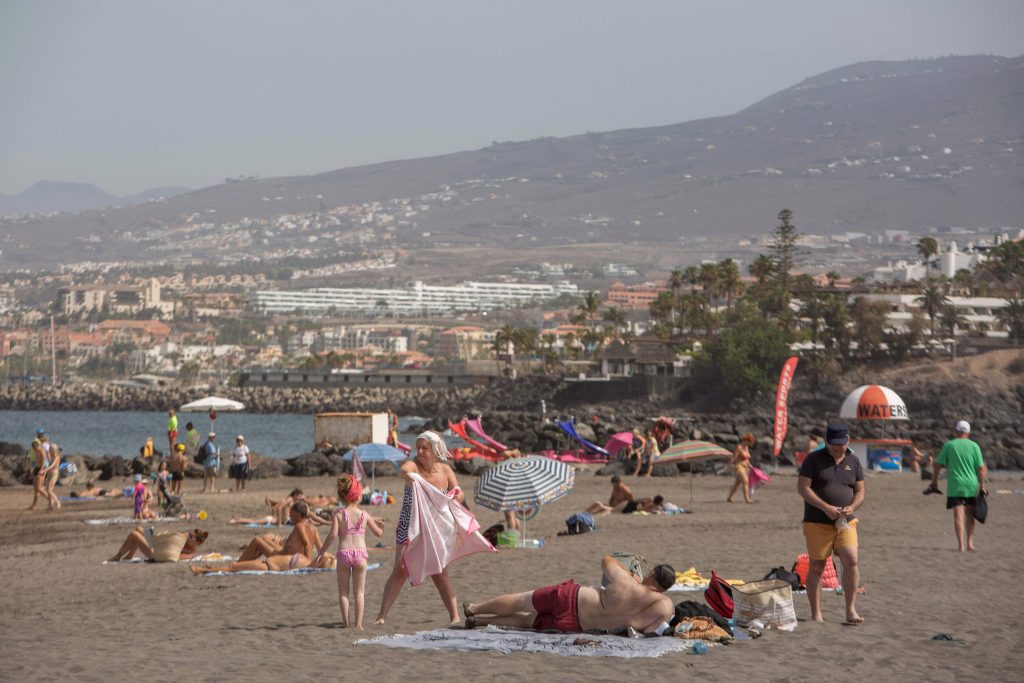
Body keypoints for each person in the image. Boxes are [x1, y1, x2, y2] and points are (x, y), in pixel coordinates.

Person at [374, 431, 466, 626]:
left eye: (425, 448)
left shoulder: (445, 471)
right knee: (399, 569)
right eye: (419, 447)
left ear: (435, 450)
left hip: (438, 527)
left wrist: (458, 496)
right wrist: (411, 476)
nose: (421, 451)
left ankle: (455, 616)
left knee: (440, 573)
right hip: (410, 525)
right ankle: (381, 616)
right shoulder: (413, 466)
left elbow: (459, 492)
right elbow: (402, 470)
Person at [464, 555, 676, 634]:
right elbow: (650, 631)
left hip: (571, 598)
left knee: (523, 601)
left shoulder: (629, 582)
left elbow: (606, 561)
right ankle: (479, 621)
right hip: (577, 626)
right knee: (528, 621)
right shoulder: (665, 607)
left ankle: (475, 608)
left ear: (652, 573)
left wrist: (629, 573)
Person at [797, 421, 865, 624]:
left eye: (841, 443)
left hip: (846, 521)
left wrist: (852, 507)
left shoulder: (853, 461)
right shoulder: (813, 459)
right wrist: (825, 507)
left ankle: (850, 610)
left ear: (848, 441)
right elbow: (803, 488)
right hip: (817, 522)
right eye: (833, 443)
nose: (837, 447)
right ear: (826, 441)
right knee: (817, 566)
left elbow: (860, 491)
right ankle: (816, 613)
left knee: (851, 559)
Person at [318, 475, 385, 629]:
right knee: (359, 592)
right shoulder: (364, 514)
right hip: (361, 555)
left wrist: (322, 551)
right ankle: (359, 625)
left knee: (343, 593)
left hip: (344, 554)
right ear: (358, 495)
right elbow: (379, 534)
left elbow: (333, 534)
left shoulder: (339, 514)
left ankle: (346, 623)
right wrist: (381, 526)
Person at [190, 501, 327, 574]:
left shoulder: (299, 526)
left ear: (298, 515)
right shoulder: (313, 528)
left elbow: (307, 545)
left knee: (257, 541)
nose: (290, 517)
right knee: (262, 540)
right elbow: (321, 548)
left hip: (285, 557)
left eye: (291, 514)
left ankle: (239, 564)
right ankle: (237, 565)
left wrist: (308, 564)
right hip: (287, 555)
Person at [930, 420, 986, 552]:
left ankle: (961, 545)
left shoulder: (949, 445)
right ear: (968, 432)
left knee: (958, 515)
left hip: (955, 485)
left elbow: (937, 465)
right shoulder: (974, 446)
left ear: (956, 431)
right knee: (970, 514)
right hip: (971, 485)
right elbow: (981, 469)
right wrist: (982, 486)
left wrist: (934, 481)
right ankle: (970, 543)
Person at [108, 527, 209, 562]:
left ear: (197, 542)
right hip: (157, 545)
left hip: (155, 554)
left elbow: (175, 557)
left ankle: (118, 556)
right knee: (138, 528)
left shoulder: (191, 551)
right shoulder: (183, 538)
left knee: (134, 534)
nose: (188, 536)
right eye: (189, 534)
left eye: (191, 537)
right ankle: (130, 555)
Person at [727, 433, 755, 503]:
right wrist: (730, 464)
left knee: (737, 484)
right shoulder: (739, 447)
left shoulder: (746, 447)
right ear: (746, 440)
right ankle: (747, 499)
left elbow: (747, 458)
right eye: (750, 442)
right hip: (739, 467)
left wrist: (749, 465)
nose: (750, 444)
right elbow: (734, 457)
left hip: (745, 467)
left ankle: (729, 498)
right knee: (745, 481)